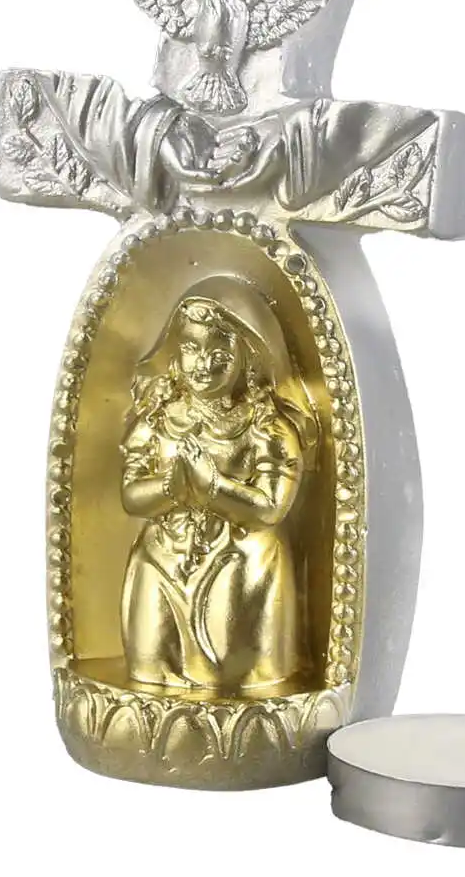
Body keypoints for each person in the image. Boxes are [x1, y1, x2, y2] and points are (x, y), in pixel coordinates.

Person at [119, 277, 317, 693]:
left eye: (220, 354)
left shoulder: (268, 428)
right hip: (162, 557)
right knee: (149, 670)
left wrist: (214, 488)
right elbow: (131, 495)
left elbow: (271, 508)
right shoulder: (158, 420)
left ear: (248, 360)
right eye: (191, 348)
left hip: (237, 556)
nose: (202, 364)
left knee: (229, 678)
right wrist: (171, 488)